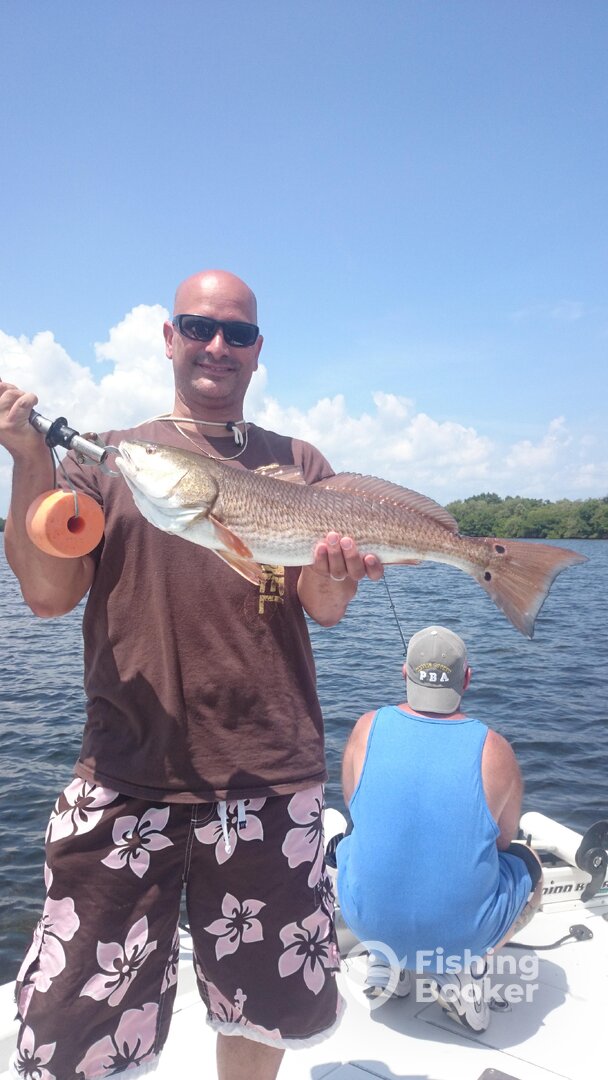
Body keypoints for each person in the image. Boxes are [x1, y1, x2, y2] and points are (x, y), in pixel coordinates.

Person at [0, 269, 385, 1080]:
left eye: (237, 333)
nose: (218, 346)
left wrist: (340, 571)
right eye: (199, 327)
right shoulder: (114, 459)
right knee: (74, 1021)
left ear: (257, 352)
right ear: (170, 339)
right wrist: (29, 456)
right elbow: (45, 592)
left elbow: (323, 607)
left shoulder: (299, 463)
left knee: (262, 1010)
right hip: (127, 770)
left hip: (270, 773)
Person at [334, 624, 543, 1032]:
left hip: (367, 925)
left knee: (351, 840)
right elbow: (502, 841)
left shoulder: (365, 728)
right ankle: (465, 969)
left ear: (404, 672)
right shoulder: (494, 748)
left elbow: (356, 809)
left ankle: (387, 962)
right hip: (458, 939)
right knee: (527, 862)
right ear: (466, 678)